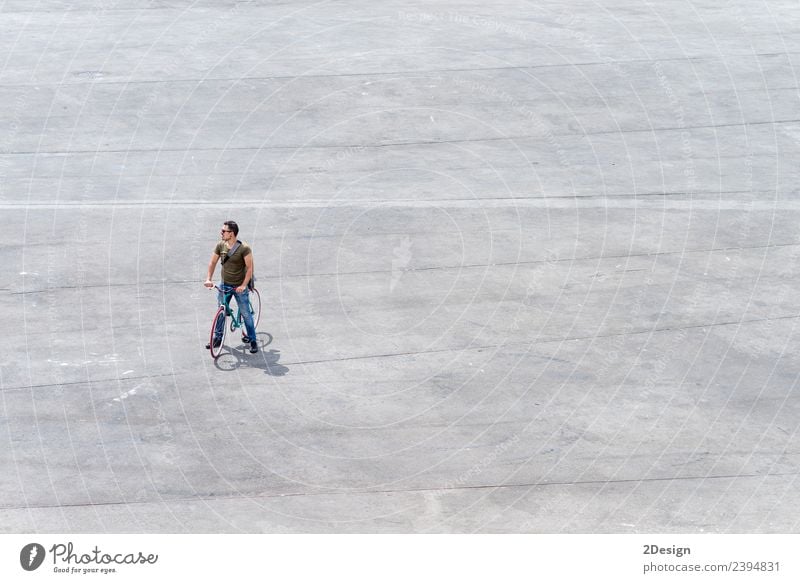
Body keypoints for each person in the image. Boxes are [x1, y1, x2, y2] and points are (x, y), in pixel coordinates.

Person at [204, 221, 258, 353]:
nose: (221, 233)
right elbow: (212, 262)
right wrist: (208, 279)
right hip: (225, 283)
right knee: (221, 311)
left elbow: (250, 268)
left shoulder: (244, 248)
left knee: (246, 314)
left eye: (224, 231)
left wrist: (244, 285)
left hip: (239, 285)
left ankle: (252, 340)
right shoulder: (220, 245)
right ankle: (217, 338)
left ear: (231, 233)